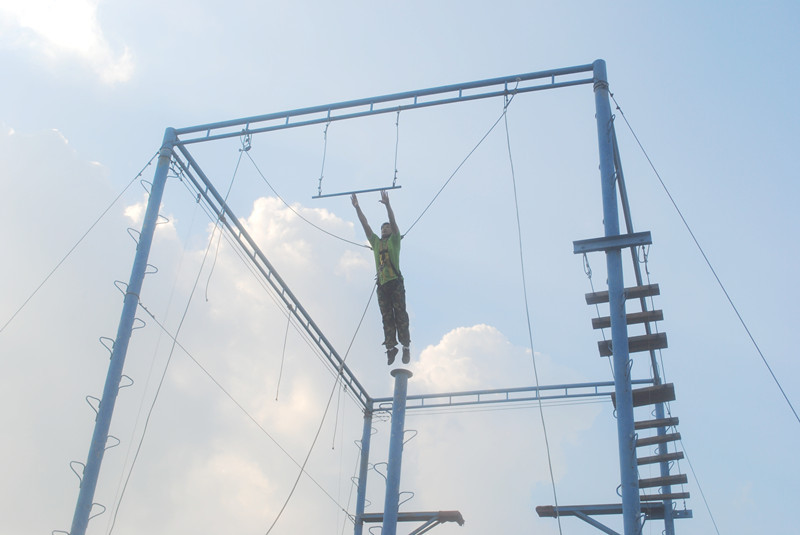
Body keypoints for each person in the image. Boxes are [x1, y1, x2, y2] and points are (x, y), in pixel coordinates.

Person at [352, 190, 410, 365]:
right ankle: (391, 348)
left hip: (395, 283)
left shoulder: (395, 241)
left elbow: (393, 221)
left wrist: (388, 205)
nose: (385, 229)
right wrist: (357, 207)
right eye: (383, 228)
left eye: (387, 228)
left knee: (400, 314)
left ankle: (405, 346)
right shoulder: (376, 243)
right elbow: (365, 224)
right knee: (386, 317)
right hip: (383, 285)